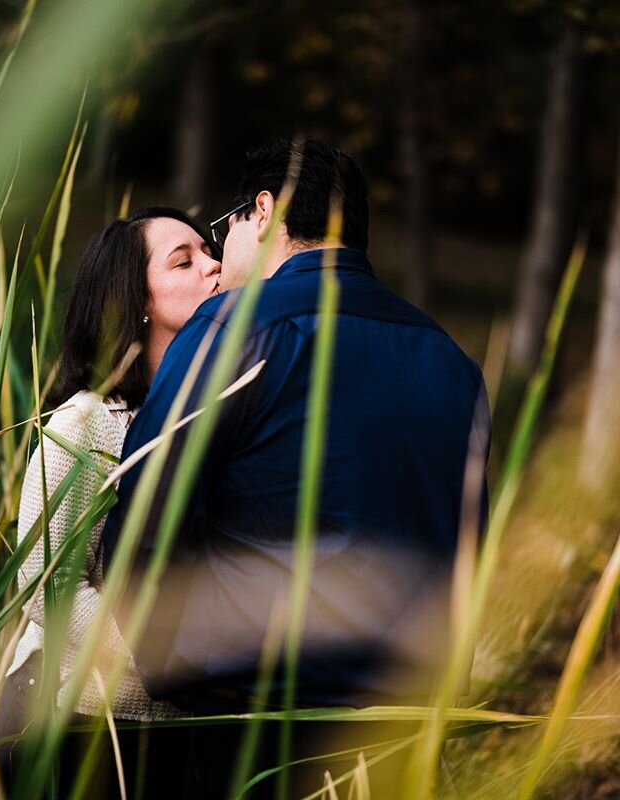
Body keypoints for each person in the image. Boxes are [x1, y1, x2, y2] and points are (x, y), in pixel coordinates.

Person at [103, 141, 490, 797]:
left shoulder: (234, 328)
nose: (222, 256)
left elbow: (144, 517)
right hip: (407, 721)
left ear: (264, 210)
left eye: (225, 230)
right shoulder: (453, 361)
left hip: (259, 721)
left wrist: (174, 673)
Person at [0, 207, 221, 797]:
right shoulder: (86, 421)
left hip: (190, 730)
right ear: (136, 299)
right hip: (80, 724)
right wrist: (159, 661)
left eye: (209, 250)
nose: (214, 265)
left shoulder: (218, 413)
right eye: (184, 260)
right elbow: (46, 584)